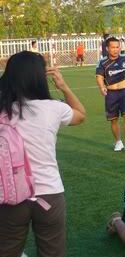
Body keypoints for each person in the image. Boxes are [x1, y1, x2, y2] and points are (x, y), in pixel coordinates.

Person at [0, 51, 86, 257]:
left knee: (7, 250)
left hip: (11, 194)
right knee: (52, 252)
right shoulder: (53, 109)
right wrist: (63, 86)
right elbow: (80, 115)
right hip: (49, 193)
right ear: (40, 77)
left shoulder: (2, 108)